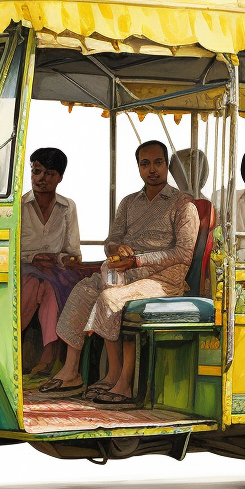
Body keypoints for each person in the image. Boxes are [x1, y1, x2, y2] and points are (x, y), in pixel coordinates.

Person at [51, 140, 200, 405]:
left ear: (167, 165)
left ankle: (118, 377)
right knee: (85, 290)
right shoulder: (129, 202)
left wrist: (138, 261)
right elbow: (112, 239)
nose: (151, 169)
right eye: (145, 164)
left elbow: (183, 254)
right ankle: (71, 371)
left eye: (157, 162)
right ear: (139, 168)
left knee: (110, 299)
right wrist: (116, 248)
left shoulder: (183, 205)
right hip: (126, 273)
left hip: (163, 280)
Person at [21, 148, 83, 379]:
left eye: (49, 173)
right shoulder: (17, 205)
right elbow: (9, 250)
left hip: (55, 270)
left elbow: (73, 252)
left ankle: (48, 355)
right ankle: (45, 353)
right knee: (37, 283)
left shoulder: (68, 207)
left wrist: (59, 259)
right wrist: (32, 258)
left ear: (60, 177)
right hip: (24, 267)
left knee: (48, 285)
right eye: (37, 171)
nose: (41, 179)